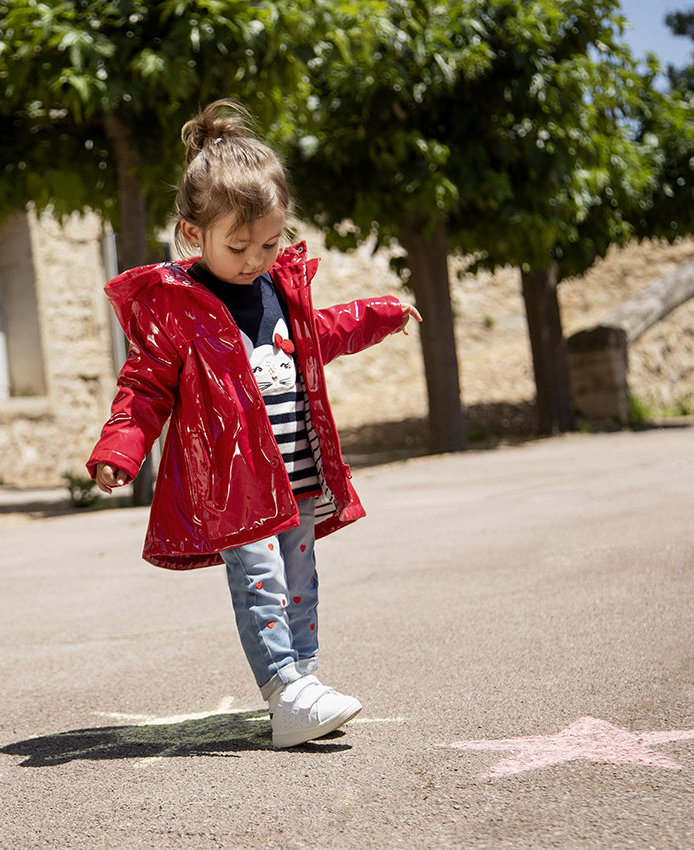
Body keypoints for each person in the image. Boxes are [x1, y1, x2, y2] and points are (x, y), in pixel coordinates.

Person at [88, 100, 421, 748]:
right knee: (261, 581)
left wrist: (379, 313)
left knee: (300, 581)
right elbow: (146, 383)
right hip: (236, 485)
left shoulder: (277, 289)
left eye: (269, 243)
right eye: (237, 246)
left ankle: (304, 681)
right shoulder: (180, 308)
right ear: (193, 234)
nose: (254, 259)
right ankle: (284, 690)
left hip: (296, 478)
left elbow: (322, 332)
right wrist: (120, 448)